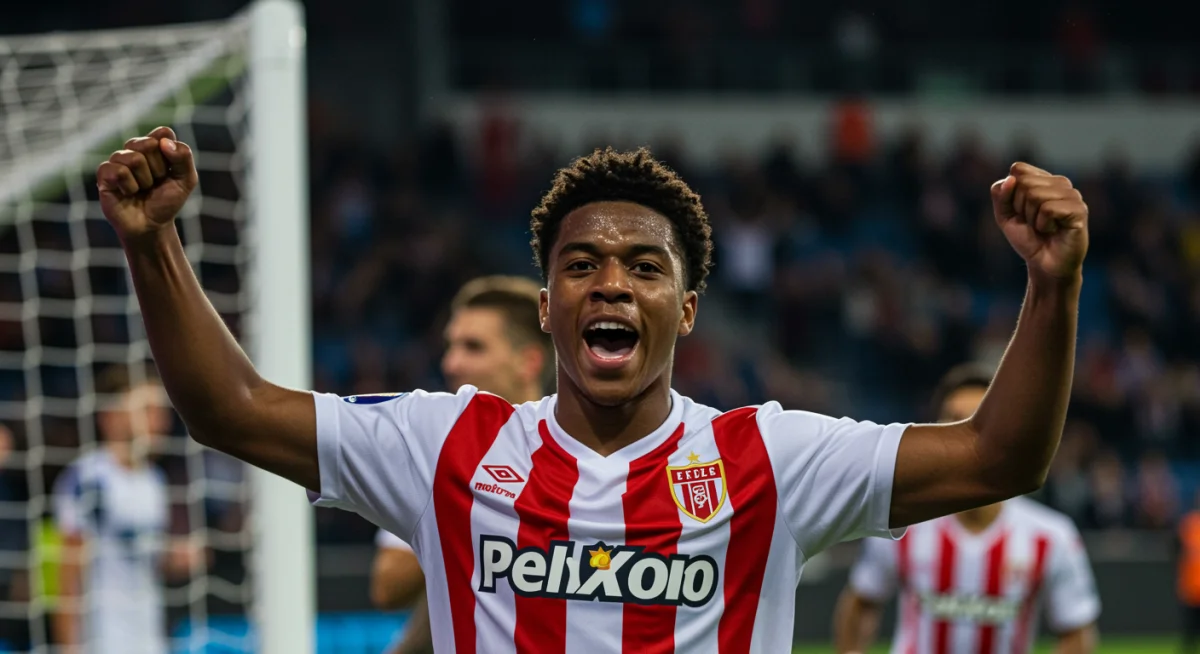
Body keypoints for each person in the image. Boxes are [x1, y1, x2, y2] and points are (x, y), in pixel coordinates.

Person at [96, 127, 1088, 652]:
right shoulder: (445, 443)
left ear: (688, 310)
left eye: (644, 268)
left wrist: (1052, 286)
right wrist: (154, 247)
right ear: (547, 305)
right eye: (583, 265)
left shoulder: (771, 459)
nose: (612, 282)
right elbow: (226, 407)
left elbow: (1002, 455)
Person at [833, 364, 1100, 654]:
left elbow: (1076, 630)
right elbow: (861, 603)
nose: (968, 437)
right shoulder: (900, 523)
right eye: (955, 422)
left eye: (981, 422)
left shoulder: (1050, 536)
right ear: (934, 433)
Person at [371, 275, 552, 654]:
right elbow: (387, 586)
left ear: (529, 361)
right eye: (450, 346)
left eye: (473, 348)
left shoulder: (573, 453)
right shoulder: (437, 452)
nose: (451, 364)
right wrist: (468, 503)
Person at [51, 366, 196, 654]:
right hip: (103, 642)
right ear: (112, 417)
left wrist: (173, 559)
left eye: (161, 411)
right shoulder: (90, 479)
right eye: (147, 409)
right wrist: (68, 648)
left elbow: (141, 559)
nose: (160, 420)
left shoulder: (154, 481)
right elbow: (69, 574)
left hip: (150, 640)